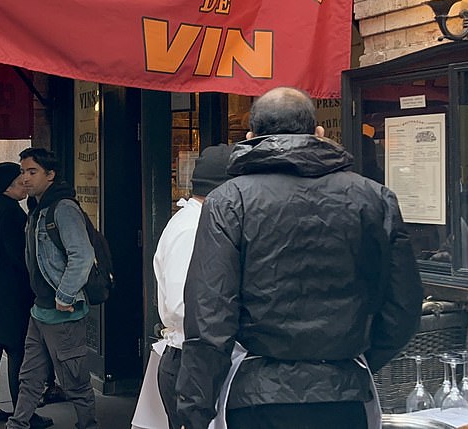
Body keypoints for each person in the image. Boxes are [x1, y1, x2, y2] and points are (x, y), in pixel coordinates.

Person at [177, 87, 423, 429]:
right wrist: (355, 359)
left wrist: (193, 412)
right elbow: (404, 306)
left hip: (256, 398)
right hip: (345, 393)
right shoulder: (375, 197)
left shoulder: (228, 201)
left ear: (250, 138)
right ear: (319, 134)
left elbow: (209, 319)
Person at [6, 147, 97, 429]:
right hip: (41, 309)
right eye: (23, 172)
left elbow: (82, 255)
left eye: (32, 172)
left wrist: (64, 295)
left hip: (64, 312)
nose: (25, 178)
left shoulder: (63, 208)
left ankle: (88, 425)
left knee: (75, 381)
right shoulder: (38, 209)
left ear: (50, 174)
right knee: (30, 377)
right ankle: (18, 424)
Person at [151, 144, 231, 429]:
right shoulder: (192, 228)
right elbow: (182, 304)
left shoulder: (200, 222)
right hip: (190, 359)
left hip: (195, 357)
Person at [0, 162, 54, 429]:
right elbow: (21, 257)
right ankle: (23, 412)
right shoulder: (10, 213)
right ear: (7, 186)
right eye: (20, 182)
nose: (24, 186)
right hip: (9, 296)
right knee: (20, 353)